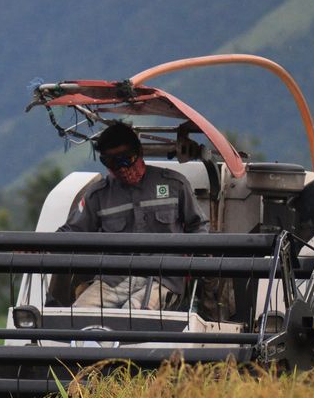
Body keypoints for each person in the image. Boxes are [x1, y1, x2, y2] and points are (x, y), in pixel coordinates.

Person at [57, 120, 209, 309]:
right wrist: (36, 248)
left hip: (163, 279)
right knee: (79, 314)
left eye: (125, 159)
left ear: (139, 153)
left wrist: (191, 264)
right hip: (113, 281)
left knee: (135, 312)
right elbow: (72, 232)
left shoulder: (174, 185)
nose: (122, 169)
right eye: (111, 163)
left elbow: (198, 228)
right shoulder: (98, 195)